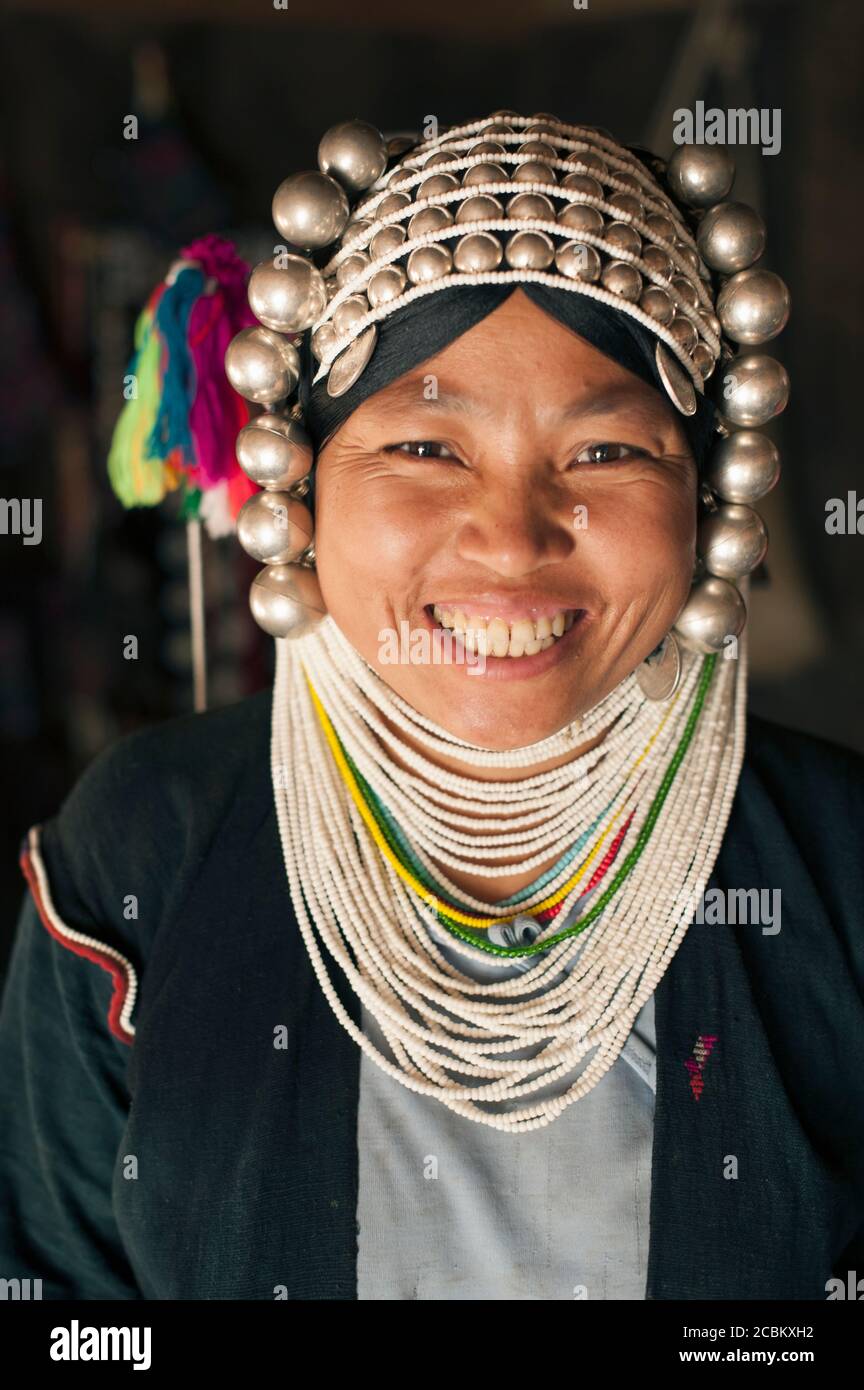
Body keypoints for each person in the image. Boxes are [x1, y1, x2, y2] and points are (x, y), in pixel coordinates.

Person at [2, 110, 863, 1302]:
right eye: (423, 447)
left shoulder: (845, 870)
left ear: (713, 495)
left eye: (608, 453)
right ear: (298, 487)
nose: (510, 541)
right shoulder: (144, 846)